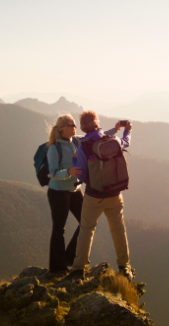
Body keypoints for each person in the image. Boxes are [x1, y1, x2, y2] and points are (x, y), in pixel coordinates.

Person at [67, 110, 135, 280]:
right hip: (115, 194)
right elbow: (125, 142)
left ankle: (78, 269)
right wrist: (127, 130)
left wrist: (74, 160)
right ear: (97, 124)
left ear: (83, 128)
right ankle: (124, 266)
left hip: (94, 197)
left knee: (86, 230)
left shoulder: (84, 147)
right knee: (118, 230)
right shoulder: (112, 140)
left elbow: (81, 176)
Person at [45, 114, 84, 273]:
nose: (76, 127)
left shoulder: (75, 141)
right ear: (63, 128)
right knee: (59, 229)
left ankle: (69, 257)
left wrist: (114, 131)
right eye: (73, 125)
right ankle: (57, 268)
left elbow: (92, 137)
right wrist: (69, 171)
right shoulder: (54, 148)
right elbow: (53, 173)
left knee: (87, 223)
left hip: (75, 190)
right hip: (58, 192)